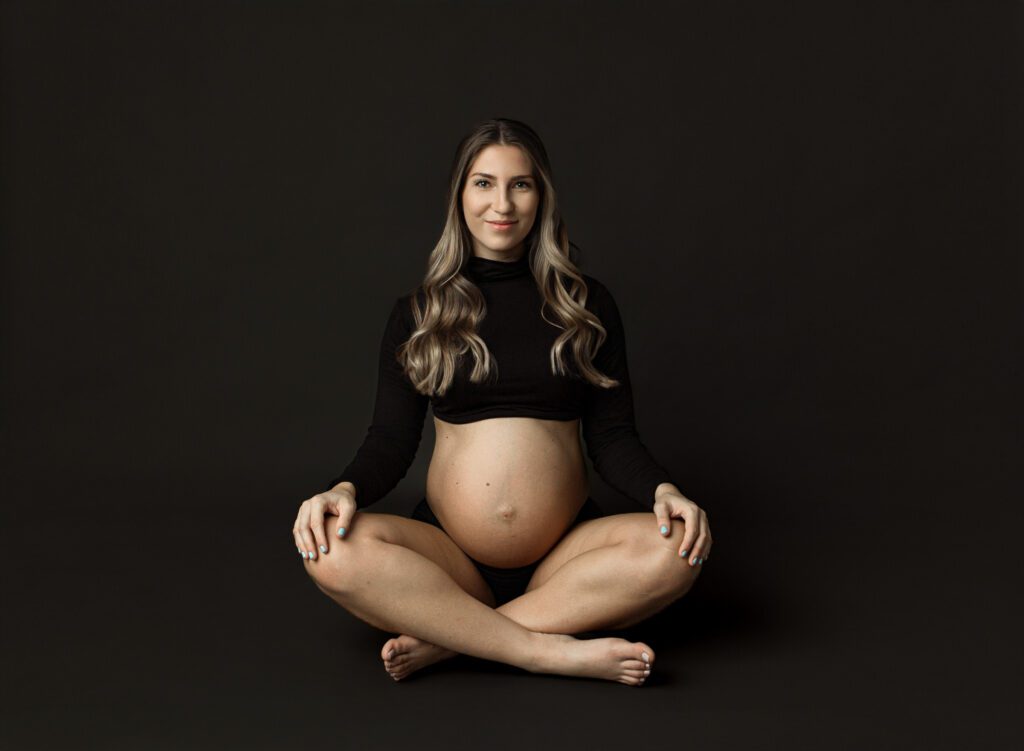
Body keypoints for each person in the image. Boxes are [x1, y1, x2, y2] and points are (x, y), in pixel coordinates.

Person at [292, 118, 712, 686]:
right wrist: (343, 490)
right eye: (484, 183)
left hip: (565, 558)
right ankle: (544, 651)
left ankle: (453, 639)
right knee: (327, 549)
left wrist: (665, 491)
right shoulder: (420, 313)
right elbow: (391, 440)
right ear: (459, 196)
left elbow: (612, 437)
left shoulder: (585, 305)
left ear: (542, 196)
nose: (503, 204)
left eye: (521, 185)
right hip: (450, 559)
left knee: (681, 547)